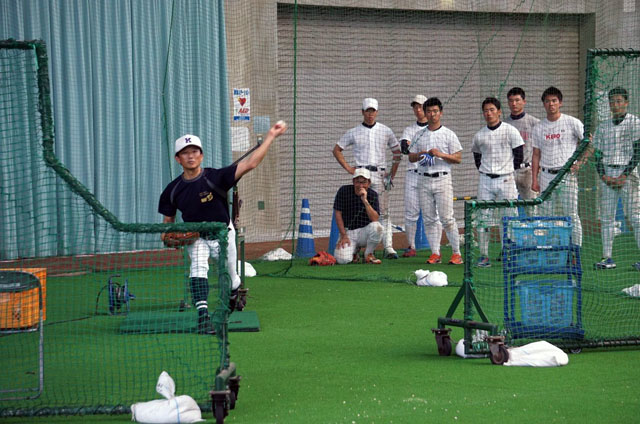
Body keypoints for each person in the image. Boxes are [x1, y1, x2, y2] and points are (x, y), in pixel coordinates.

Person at [158, 122, 288, 333]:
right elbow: (167, 224)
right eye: (185, 153)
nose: (190, 156)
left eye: (194, 152)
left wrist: (271, 136)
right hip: (196, 237)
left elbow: (250, 164)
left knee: (231, 276)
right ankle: (203, 317)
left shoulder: (215, 177)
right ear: (177, 159)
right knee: (198, 268)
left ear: (201, 156)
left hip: (222, 234)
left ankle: (235, 291)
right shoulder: (172, 190)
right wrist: (167, 237)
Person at [333, 98, 402, 259]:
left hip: (379, 173)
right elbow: (337, 150)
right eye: (367, 111)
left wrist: (392, 173)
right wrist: (349, 168)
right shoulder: (354, 131)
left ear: (377, 112)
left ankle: (388, 247)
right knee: (360, 206)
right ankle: (357, 244)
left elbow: (397, 152)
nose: (370, 114)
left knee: (383, 212)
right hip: (362, 174)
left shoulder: (386, 130)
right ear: (362, 112)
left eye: (373, 111)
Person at [408, 97, 463, 265]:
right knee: (429, 218)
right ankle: (435, 253)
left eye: (435, 111)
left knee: (447, 218)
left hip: (443, 179)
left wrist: (441, 154)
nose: (432, 114)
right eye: (429, 111)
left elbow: (458, 158)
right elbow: (410, 157)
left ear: (441, 113)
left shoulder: (448, 134)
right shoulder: (419, 135)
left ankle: (456, 253)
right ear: (425, 113)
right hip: (423, 179)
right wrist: (421, 154)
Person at [471, 97, 525, 267]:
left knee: (508, 218)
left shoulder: (510, 131)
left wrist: (507, 170)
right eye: (486, 111)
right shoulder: (479, 135)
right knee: (483, 219)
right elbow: (477, 158)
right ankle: (484, 255)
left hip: (507, 179)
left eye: (492, 110)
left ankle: (508, 252)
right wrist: (488, 171)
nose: (489, 113)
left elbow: (519, 155)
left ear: (499, 111)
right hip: (485, 180)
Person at [531, 86, 585, 252]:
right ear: (543, 104)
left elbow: (588, 143)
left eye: (554, 101)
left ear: (560, 103)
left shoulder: (572, 122)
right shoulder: (539, 127)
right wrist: (534, 179)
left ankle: (576, 248)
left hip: (567, 175)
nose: (551, 104)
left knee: (571, 213)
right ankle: (550, 247)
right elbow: (535, 154)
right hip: (546, 175)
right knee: (546, 213)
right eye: (547, 101)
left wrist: (579, 163)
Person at [592, 87, 640, 270]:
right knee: (606, 218)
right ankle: (607, 258)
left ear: (626, 102)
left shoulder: (634, 122)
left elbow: (638, 151)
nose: (615, 104)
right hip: (607, 174)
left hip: (628, 175)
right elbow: (597, 153)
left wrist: (624, 175)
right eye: (612, 101)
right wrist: (603, 175)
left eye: (619, 101)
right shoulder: (603, 126)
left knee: (636, 217)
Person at [399, 94, 439, 257]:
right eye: (415, 106)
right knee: (411, 211)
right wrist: (417, 151)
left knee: (433, 213)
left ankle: (435, 249)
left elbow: (435, 154)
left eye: (420, 106)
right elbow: (405, 148)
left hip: (430, 174)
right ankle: (411, 246)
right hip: (412, 173)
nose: (417, 109)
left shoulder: (435, 130)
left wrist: (418, 152)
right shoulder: (409, 130)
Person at [333, 168, 384, 265]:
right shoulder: (344, 191)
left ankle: (369, 254)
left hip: (365, 231)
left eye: (364, 182)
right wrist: (343, 235)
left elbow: (375, 218)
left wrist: (365, 200)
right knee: (342, 260)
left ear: (369, 183)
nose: (360, 185)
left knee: (377, 227)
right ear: (353, 181)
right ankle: (354, 252)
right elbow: (338, 213)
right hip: (349, 232)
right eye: (358, 182)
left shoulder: (373, 195)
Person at [504, 87, 540, 202]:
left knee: (531, 205)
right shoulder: (504, 124)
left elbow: (541, 148)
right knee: (508, 204)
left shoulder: (534, 123)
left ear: (524, 101)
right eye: (511, 100)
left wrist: (537, 169)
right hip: (509, 170)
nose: (514, 103)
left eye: (517, 100)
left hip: (528, 169)